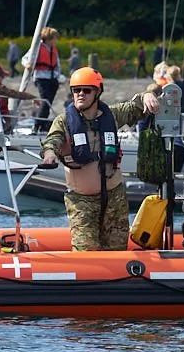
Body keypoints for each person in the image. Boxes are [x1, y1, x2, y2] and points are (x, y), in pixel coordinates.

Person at [40, 67, 159, 251]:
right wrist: (50, 154)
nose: (80, 94)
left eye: (86, 90)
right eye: (76, 90)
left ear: (97, 92)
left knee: (117, 249)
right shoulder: (64, 122)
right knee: (85, 251)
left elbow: (135, 107)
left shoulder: (111, 115)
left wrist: (147, 95)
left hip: (114, 197)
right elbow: (52, 141)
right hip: (82, 201)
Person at [21, 26, 62, 119]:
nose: (56, 40)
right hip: (41, 79)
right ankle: (38, 124)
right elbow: (24, 59)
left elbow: (57, 65)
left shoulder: (53, 49)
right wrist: (27, 65)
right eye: (55, 38)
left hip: (53, 79)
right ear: (49, 38)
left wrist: (59, 77)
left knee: (48, 103)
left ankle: (43, 124)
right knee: (45, 101)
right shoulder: (37, 47)